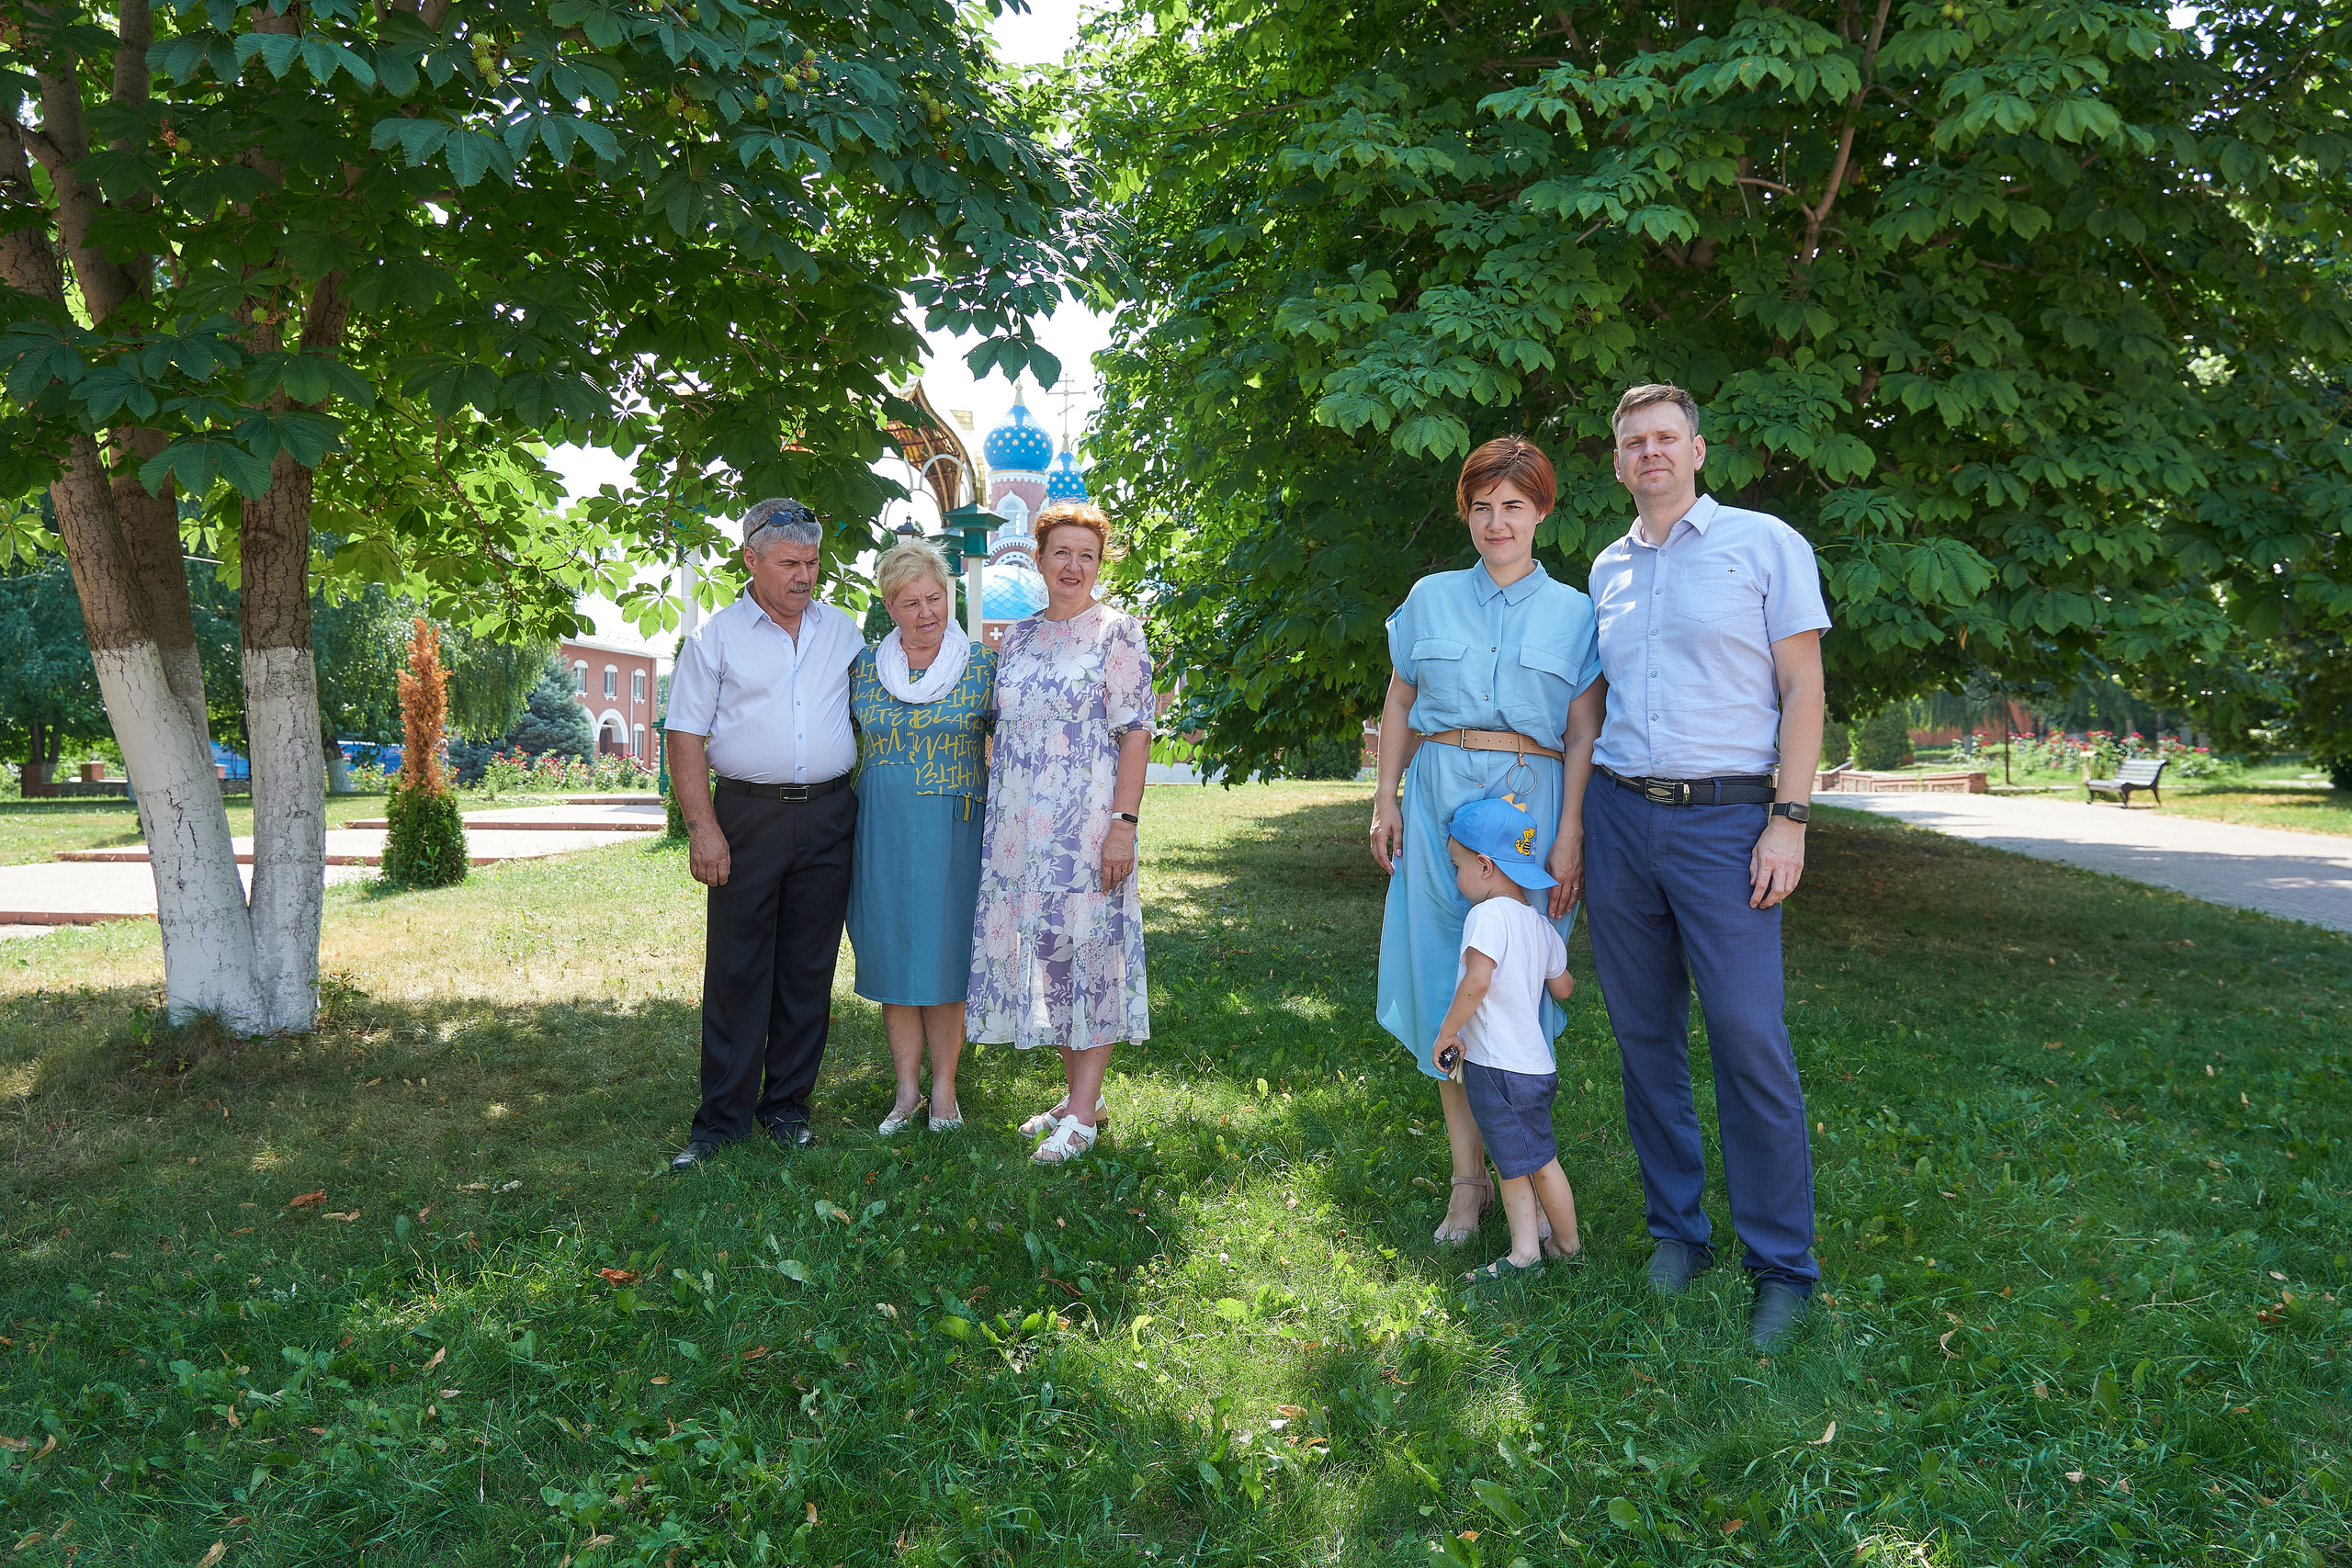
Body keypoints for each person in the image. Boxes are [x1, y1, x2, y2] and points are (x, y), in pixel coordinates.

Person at [1582, 383, 1830, 1349]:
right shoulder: (1606, 568)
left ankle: (1781, 1265)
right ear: (1616, 463)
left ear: (1696, 451)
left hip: (1730, 821)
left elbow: (1803, 683)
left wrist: (1790, 818)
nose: (1649, 453)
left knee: (1744, 1036)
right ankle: (1677, 1235)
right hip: (1620, 819)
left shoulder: (1764, 544)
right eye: (1632, 441)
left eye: (1664, 438)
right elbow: (1588, 713)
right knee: (1645, 1039)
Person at [1370, 435, 1606, 1246]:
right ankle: (1469, 1184)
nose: (1496, 522)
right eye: (1481, 507)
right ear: (1465, 513)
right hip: (1438, 804)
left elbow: (1582, 733)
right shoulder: (1429, 596)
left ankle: (1528, 1168)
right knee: (1451, 984)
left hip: (1532, 813)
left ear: (1541, 511)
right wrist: (1384, 799)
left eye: (1513, 505)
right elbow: (1400, 703)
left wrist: (1571, 829)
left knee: (1519, 990)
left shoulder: (1577, 612)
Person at [662, 498, 864, 1169]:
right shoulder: (714, 639)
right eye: (789, 563)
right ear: (751, 560)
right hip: (747, 817)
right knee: (737, 969)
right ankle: (721, 1122)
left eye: (812, 562)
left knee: (809, 968)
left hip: (831, 816)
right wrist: (703, 829)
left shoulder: (844, 632)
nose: (804, 576)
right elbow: (684, 737)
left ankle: (787, 1109)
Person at [966, 501, 1153, 1166]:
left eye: (1087, 555)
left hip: (1088, 821)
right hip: (1020, 824)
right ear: (1038, 559)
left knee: (1091, 951)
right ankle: (1083, 1096)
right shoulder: (1014, 637)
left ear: (1100, 565)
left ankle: (1083, 1113)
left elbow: (1136, 731)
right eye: (1062, 553)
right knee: (1048, 949)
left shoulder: (1117, 633)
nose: (1074, 565)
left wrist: (1122, 827)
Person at [847, 538, 996, 1135]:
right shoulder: (864, 668)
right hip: (881, 836)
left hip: (953, 838)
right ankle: (905, 1092)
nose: (926, 611)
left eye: (935, 597)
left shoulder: (981, 665)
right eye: (910, 601)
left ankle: (944, 1092)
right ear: (890, 606)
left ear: (949, 597)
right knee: (894, 958)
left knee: (942, 961)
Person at [1430, 797, 1584, 1286]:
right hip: (1536, 1067)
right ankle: (1536, 1247)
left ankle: (1549, 1248)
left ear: (1484, 865)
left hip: (1500, 1070)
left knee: (1528, 1165)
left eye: (1457, 865)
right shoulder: (1538, 924)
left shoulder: (1487, 917)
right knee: (1526, 1159)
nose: (1457, 878)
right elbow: (1564, 987)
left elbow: (1477, 980)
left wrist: (1448, 1031)